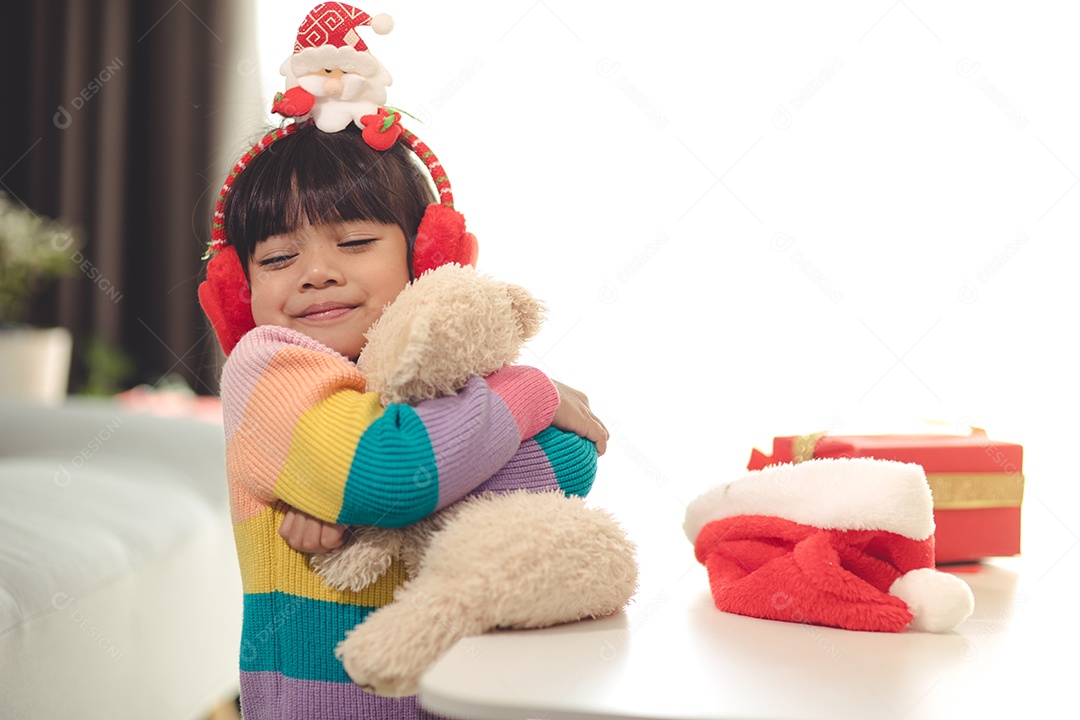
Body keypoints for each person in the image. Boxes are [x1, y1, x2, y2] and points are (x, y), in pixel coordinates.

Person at [199, 116, 607, 717]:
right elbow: (388, 472)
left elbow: (569, 464)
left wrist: (368, 522)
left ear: (425, 257)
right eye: (280, 256)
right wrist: (527, 393)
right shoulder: (269, 368)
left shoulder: (439, 367)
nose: (317, 273)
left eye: (356, 242)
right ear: (242, 288)